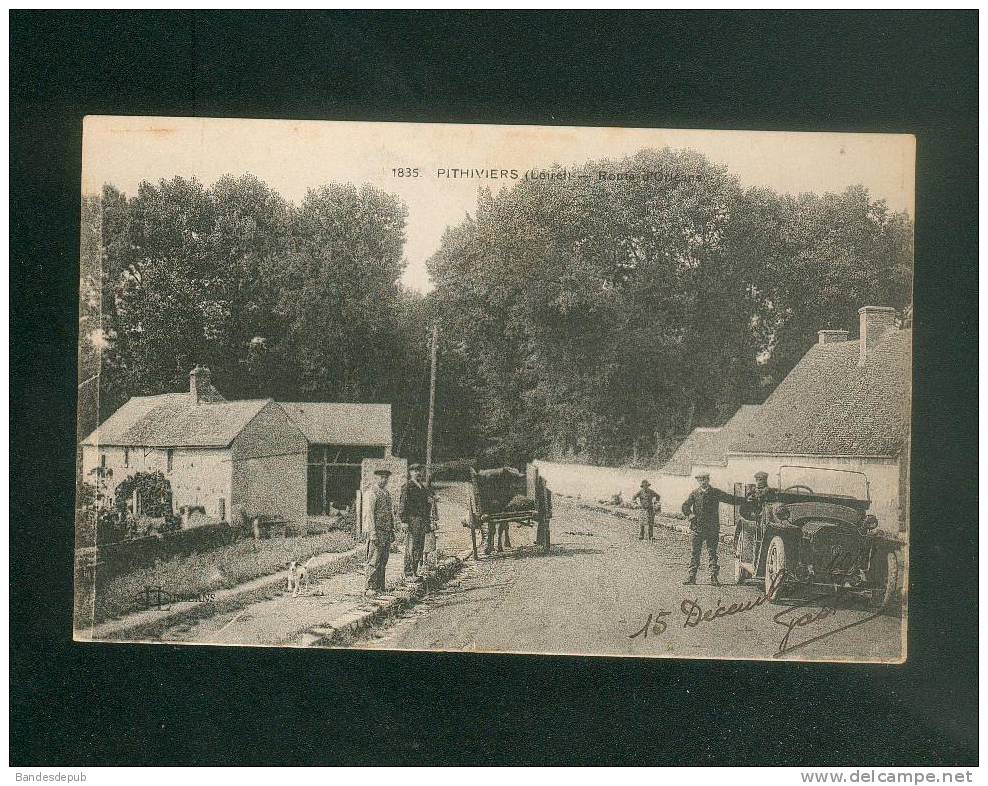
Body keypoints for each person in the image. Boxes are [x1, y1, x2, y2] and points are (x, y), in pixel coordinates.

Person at [681, 472, 742, 586]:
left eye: (705, 479)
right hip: (697, 528)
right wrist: (689, 515)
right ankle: (691, 577)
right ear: (698, 481)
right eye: (700, 480)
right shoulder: (694, 494)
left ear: (708, 480)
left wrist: (746, 500)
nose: (703, 482)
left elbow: (730, 499)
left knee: (712, 553)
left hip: (711, 529)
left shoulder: (715, 493)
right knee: (695, 553)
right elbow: (685, 506)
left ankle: (714, 577)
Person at [398, 463, 437, 580]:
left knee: (420, 545)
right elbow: (402, 505)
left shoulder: (422, 487)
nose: (417, 473)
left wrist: (430, 501)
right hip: (412, 519)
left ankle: (415, 571)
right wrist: (403, 520)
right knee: (412, 545)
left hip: (422, 520)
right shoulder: (407, 487)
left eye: (418, 471)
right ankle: (409, 573)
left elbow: (427, 503)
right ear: (410, 473)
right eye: (414, 471)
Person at [364, 468, 396, 596]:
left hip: (386, 531)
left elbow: (390, 514)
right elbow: (369, 515)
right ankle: (370, 587)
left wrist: (392, 530)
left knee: (383, 559)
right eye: (381, 477)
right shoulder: (372, 493)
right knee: (374, 560)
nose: (384, 480)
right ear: (375, 478)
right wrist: (372, 533)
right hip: (377, 531)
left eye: (386, 478)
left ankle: (380, 586)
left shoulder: (387, 493)